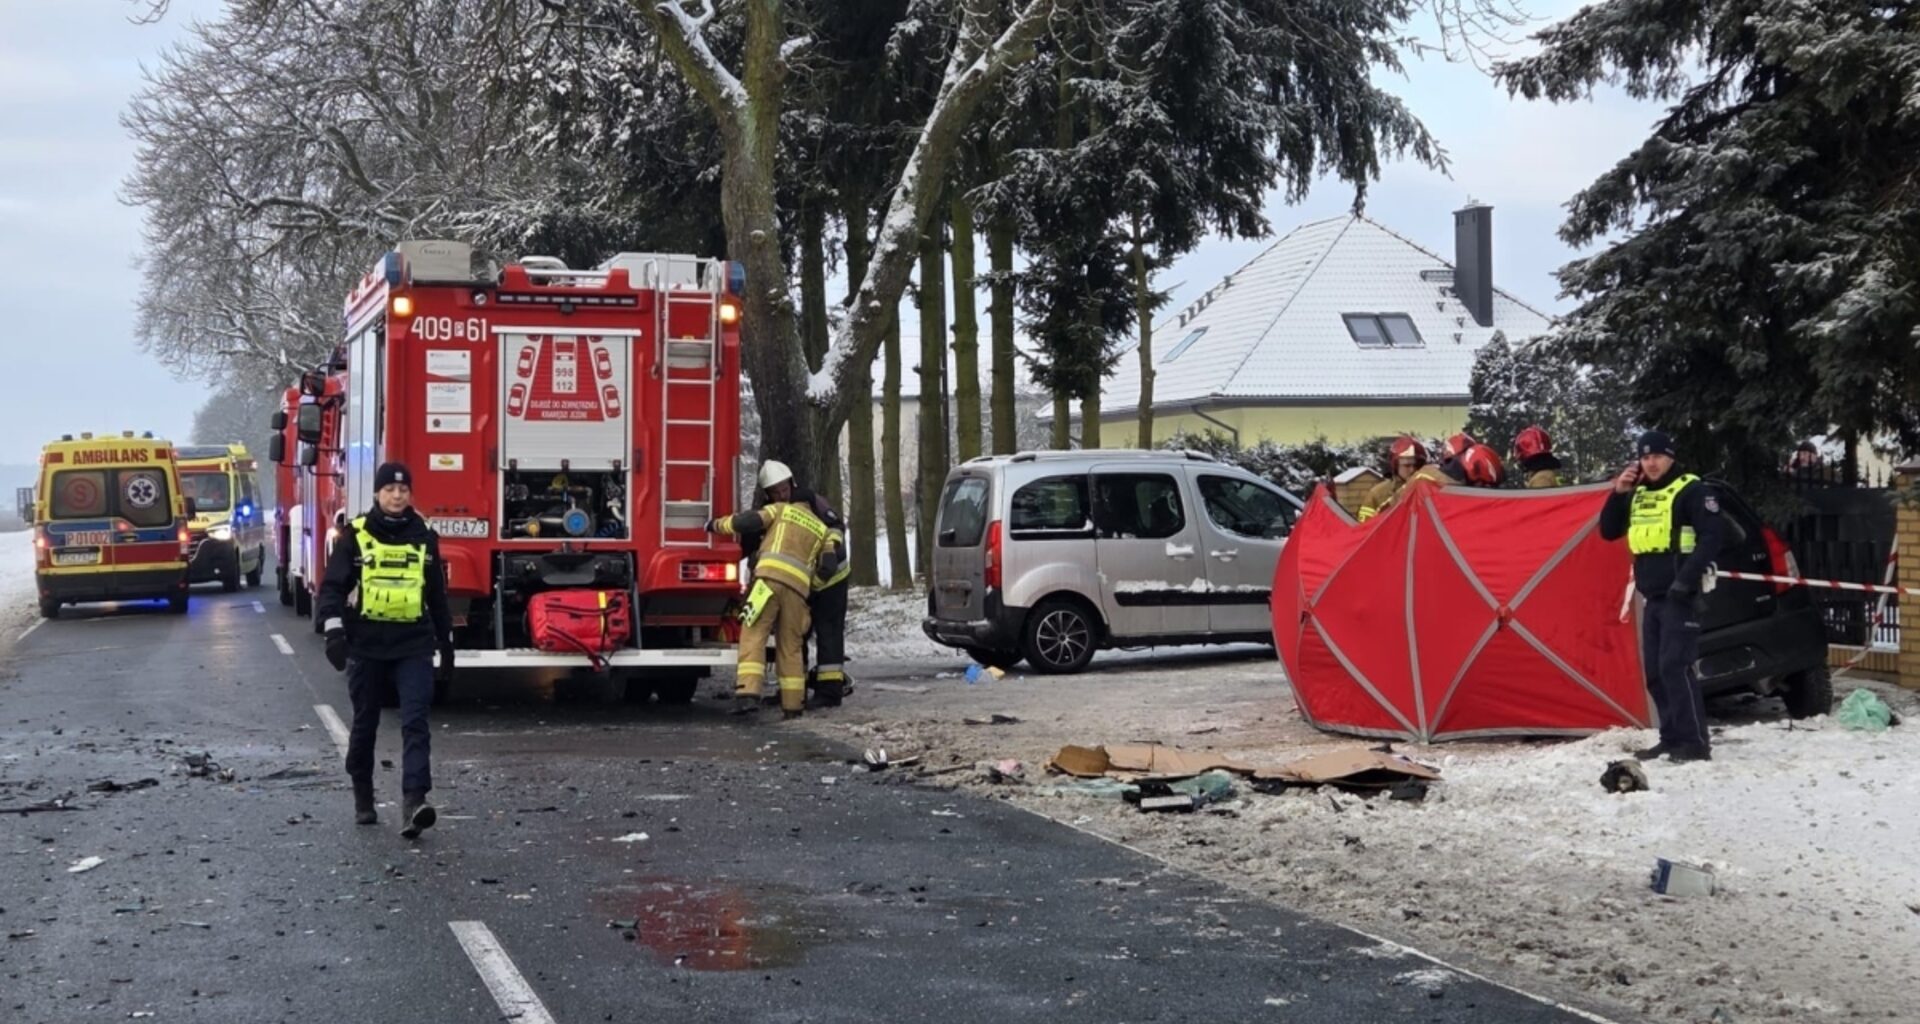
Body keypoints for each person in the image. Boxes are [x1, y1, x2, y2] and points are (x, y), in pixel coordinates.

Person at [317, 461, 454, 837]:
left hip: (413, 643)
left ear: (410, 494)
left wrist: (447, 643)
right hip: (368, 645)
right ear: (377, 493)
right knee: (365, 724)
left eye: (403, 490)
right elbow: (331, 589)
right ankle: (363, 794)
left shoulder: (424, 535)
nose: (397, 496)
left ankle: (415, 802)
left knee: (415, 722)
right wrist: (333, 633)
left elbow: (436, 595)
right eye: (390, 490)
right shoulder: (356, 535)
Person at [1597, 430, 1726, 763]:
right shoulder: (1638, 493)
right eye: (1645, 457)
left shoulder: (1693, 491)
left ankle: (1695, 743)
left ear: (1671, 457)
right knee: (1655, 671)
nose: (1651, 463)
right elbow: (1609, 531)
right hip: (1652, 595)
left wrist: (1686, 580)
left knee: (1675, 666)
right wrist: (1618, 493)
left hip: (1681, 594)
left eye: (1657, 456)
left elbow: (1712, 538)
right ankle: (1670, 738)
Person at [709, 471, 836, 719]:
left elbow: (746, 523)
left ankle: (747, 694)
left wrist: (714, 525)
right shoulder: (822, 529)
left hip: (766, 583)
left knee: (753, 632)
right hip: (797, 593)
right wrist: (813, 586)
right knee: (791, 647)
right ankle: (793, 706)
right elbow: (829, 567)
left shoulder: (780, 511)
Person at [744, 461, 853, 707]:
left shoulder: (810, 500)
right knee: (793, 634)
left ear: (791, 484)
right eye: (776, 492)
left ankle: (829, 692)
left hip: (830, 579)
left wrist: (830, 551)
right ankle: (794, 689)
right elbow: (753, 541)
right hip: (799, 582)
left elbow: (835, 526)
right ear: (767, 494)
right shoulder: (770, 512)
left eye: (784, 489)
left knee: (828, 632)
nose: (782, 495)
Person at [1358, 436, 1427, 521]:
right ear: (1396, 466)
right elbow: (1365, 529)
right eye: (1407, 465)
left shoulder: (1431, 491)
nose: (1413, 470)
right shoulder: (1377, 494)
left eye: (1417, 465)